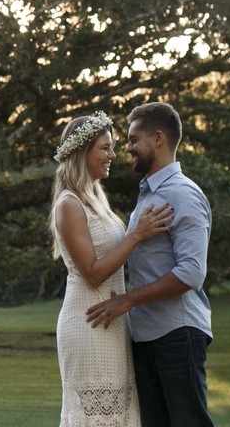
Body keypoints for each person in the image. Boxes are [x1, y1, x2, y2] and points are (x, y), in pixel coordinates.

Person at [85, 102, 214, 426]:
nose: (126, 149)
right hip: (146, 336)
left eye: (132, 139)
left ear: (158, 138)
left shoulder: (182, 194)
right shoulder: (149, 194)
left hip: (178, 333)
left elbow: (191, 273)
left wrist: (128, 300)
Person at [52, 111, 175, 426]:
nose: (113, 155)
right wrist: (136, 235)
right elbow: (92, 273)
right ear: (83, 153)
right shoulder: (69, 204)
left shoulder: (95, 197)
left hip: (114, 322)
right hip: (88, 321)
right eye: (105, 148)